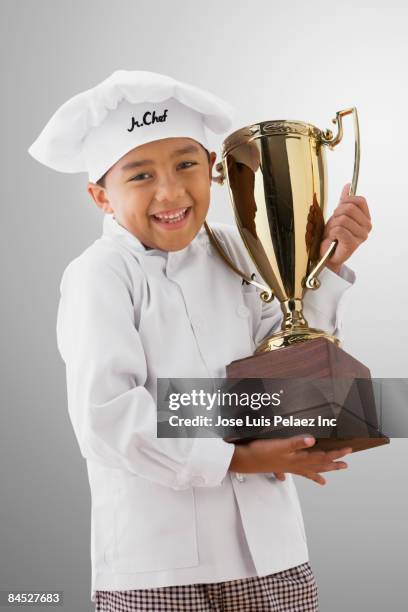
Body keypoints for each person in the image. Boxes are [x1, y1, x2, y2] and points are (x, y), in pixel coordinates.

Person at [28, 70, 372, 611]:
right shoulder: (101, 273)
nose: (170, 192)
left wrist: (321, 269)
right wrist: (242, 459)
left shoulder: (237, 250)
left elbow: (279, 367)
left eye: (187, 164)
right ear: (100, 197)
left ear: (212, 171)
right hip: (161, 570)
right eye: (140, 175)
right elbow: (108, 416)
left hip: (276, 558)